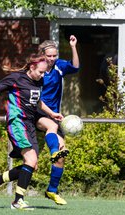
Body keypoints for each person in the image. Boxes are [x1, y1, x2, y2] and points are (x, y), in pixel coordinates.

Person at [0, 54, 63, 210]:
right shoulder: (16, 78)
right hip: (17, 122)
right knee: (31, 159)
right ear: (32, 67)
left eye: (44, 73)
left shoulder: (38, 81)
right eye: (40, 72)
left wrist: (52, 114)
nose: (42, 76)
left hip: (29, 124)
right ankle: (17, 201)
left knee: (32, 165)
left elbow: (38, 101)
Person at [36, 35, 80, 205]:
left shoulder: (59, 66)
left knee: (61, 157)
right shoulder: (36, 71)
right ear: (42, 55)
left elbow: (75, 67)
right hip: (38, 113)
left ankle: (51, 191)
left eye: (55, 55)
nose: (53, 59)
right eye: (49, 56)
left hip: (55, 115)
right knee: (51, 128)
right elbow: (36, 99)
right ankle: (53, 150)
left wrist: (73, 47)